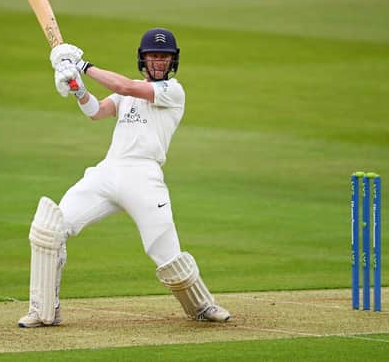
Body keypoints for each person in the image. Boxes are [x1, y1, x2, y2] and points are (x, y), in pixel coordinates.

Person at [18, 28, 231, 327]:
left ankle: (202, 305)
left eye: (164, 57)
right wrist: (78, 88)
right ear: (143, 59)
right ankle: (43, 311)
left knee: (165, 253)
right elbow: (97, 111)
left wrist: (82, 66)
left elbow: (127, 88)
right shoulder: (126, 91)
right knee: (51, 228)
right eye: (153, 56)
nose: (159, 62)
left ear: (173, 62)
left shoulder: (173, 91)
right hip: (108, 170)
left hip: (144, 177)